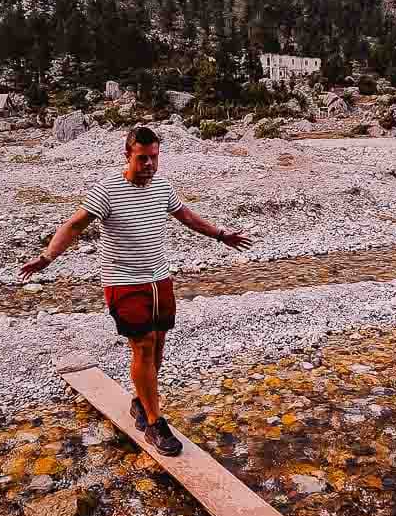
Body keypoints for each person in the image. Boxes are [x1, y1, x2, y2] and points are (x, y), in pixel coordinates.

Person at [19, 124, 252, 456]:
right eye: (143, 159)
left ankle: (141, 403)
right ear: (127, 155)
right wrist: (47, 257)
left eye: (154, 158)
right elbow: (74, 224)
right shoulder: (106, 191)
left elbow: (186, 216)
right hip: (123, 282)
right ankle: (155, 424)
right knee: (142, 346)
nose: (149, 166)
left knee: (157, 346)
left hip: (159, 280)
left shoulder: (162, 187)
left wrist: (220, 234)